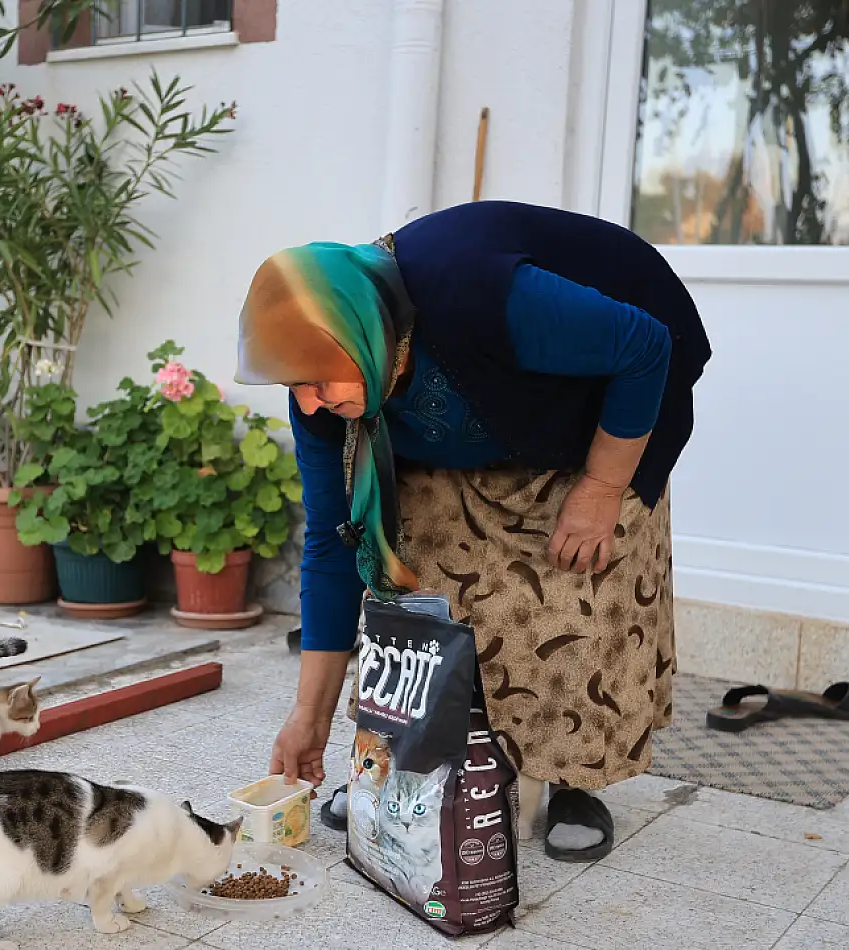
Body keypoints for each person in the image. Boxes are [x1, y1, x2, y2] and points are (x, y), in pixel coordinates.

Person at [235, 200, 710, 862]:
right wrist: (307, 718)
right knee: (415, 574)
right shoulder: (322, 387)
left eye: (318, 380)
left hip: (595, 401)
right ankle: (397, 764)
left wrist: (602, 490)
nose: (310, 401)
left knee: (579, 586)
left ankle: (574, 777)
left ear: (363, 334)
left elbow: (644, 344)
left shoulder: (476, 295)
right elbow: (331, 545)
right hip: (457, 427)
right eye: (296, 386)